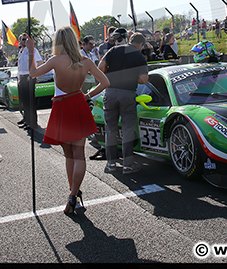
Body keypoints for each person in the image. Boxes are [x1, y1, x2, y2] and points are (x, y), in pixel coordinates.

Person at [24, 27, 109, 215]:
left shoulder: (55, 60)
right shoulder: (85, 61)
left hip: (61, 106)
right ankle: (73, 193)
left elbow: (33, 72)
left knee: (69, 155)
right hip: (78, 102)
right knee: (79, 154)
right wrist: (87, 95)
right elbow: (105, 82)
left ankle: (73, 192)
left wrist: (31, 49)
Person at [98, 30, 148, 175]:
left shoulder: (114, 49)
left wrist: (111, 77)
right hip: (128, 94)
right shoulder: (139, 56)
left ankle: (111, 163)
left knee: (110, 129)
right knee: (127, 130)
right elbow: (143, 80)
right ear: (140, 44)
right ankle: (127, 165)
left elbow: (101, 67)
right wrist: (133, 79)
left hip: (111, 92)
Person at [16, 33, 43, 130]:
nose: (25, 41)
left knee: (30, 101)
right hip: (22, 77)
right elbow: (20, 67)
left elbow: (40, 63)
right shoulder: (21, 51)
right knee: (24, 100)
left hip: (29, 76)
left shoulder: (33, 50)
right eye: (23, 39)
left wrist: (33, 75)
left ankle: (32, 122)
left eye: (27, 39)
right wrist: (19, 78)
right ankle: (26, 119)